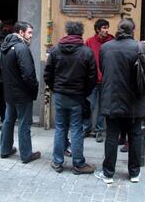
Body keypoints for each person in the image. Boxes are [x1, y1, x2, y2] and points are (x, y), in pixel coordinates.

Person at [94, 19, 145, 184]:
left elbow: (102, 68)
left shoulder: (106, 47)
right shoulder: (140, 48)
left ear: (118, 30)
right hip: (134, 101)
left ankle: (108, 173)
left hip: (111, 99)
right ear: (133, 30)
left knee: (112, 137)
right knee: (135, 137)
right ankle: (134, 173)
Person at [44, 21, 97, 174]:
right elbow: (92, 77)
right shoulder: (86, 52)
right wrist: (84, 92)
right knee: (76, 129)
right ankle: (78, 164)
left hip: (60, 95)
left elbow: (47, 74)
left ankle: (57, 162)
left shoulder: (55, 50)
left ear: (67, 33)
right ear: (80, 34)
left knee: (60, 128)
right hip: (77, 96)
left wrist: (57, 89)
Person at [0, 21, 41, 164]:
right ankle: (26, 154)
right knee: (24, 123)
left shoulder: (5, 47)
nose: (31, 36)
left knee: (8, 120)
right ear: (21, 32)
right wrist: (34, 87)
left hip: (10, 92)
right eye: (29, 32)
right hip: (22, 93)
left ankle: (5, 150)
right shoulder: (21, 48)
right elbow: (28, 74)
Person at [83, 19, 114, 143]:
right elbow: (84, 59)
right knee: (89, 105)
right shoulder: (90, 42)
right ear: (97, 29)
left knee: (102, 107)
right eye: (104, 28)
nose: (106, 30)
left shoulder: (112, 41)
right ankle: (86, 128)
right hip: (92, 80)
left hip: (106, 81)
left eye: (107, 27)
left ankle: (99, 130)